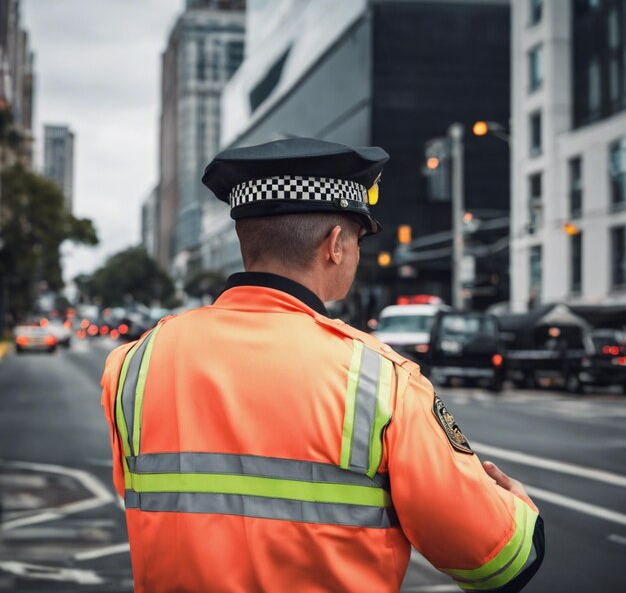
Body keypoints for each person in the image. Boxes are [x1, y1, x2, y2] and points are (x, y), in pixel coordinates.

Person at [100, 137, 544, 593]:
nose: (355, 251)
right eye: (357, 237)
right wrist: (519, 509)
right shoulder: (382, 379)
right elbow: (498, 560)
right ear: (335, 244)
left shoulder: (134, 365)